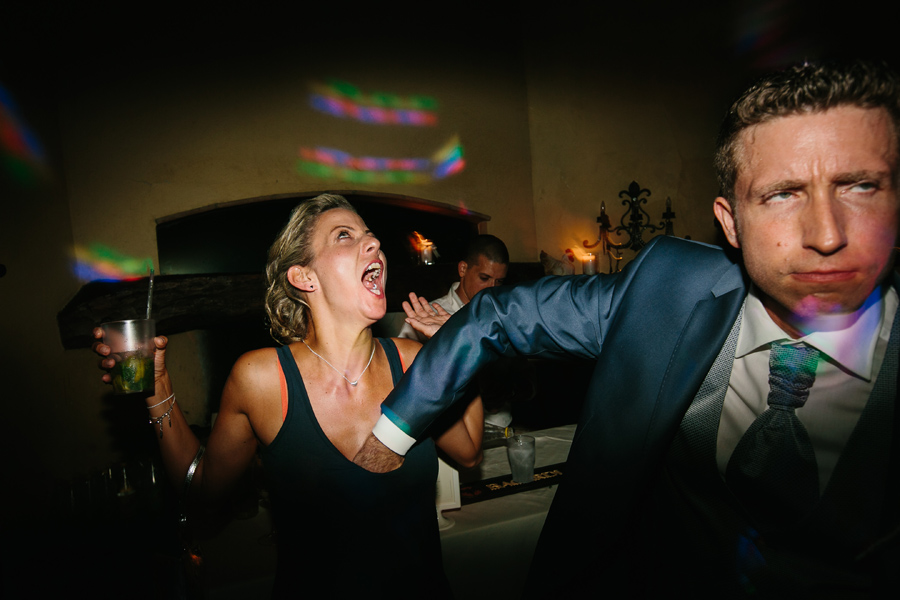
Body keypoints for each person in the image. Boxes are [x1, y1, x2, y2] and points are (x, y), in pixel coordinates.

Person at [353, 60, 900, 596]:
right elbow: (500, 315)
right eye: (783, 194)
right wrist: (390, 436)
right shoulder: (667, 291)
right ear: (730, 222)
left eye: (860, 187)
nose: (827, 234)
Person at [92, 194, 483, 599]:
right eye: (345, 236)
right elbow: (204, 490)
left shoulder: (414, 362)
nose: (374, 244)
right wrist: (158, 388)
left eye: (371, 235)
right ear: (304, 277)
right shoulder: (261, 378)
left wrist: (460, 349)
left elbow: (469, 450)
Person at [398, 234, 509, 343]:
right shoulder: (428, 316)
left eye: (499, 281)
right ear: (463, 269)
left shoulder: (503, 316)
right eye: (484, 278)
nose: (492, 288)